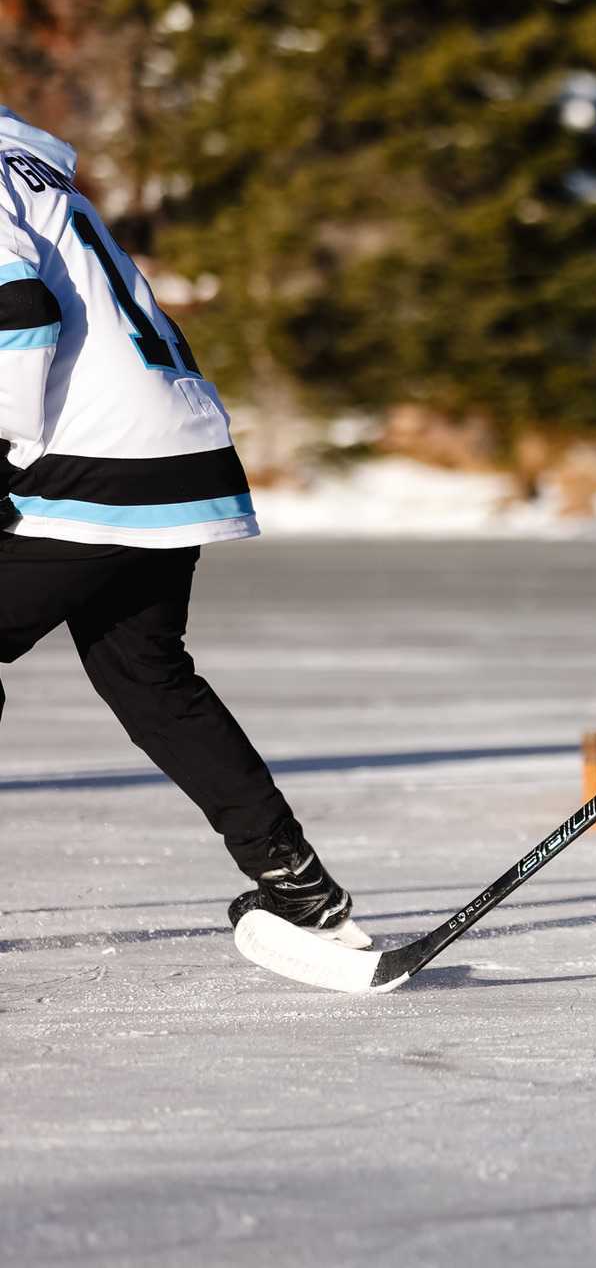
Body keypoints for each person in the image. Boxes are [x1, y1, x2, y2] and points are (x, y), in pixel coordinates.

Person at [0, 107, 364, 946]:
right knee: (146, 675)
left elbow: (18, 312)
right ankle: (297, 885)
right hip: (178, 444)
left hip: (96, 457)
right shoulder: (31, 170)